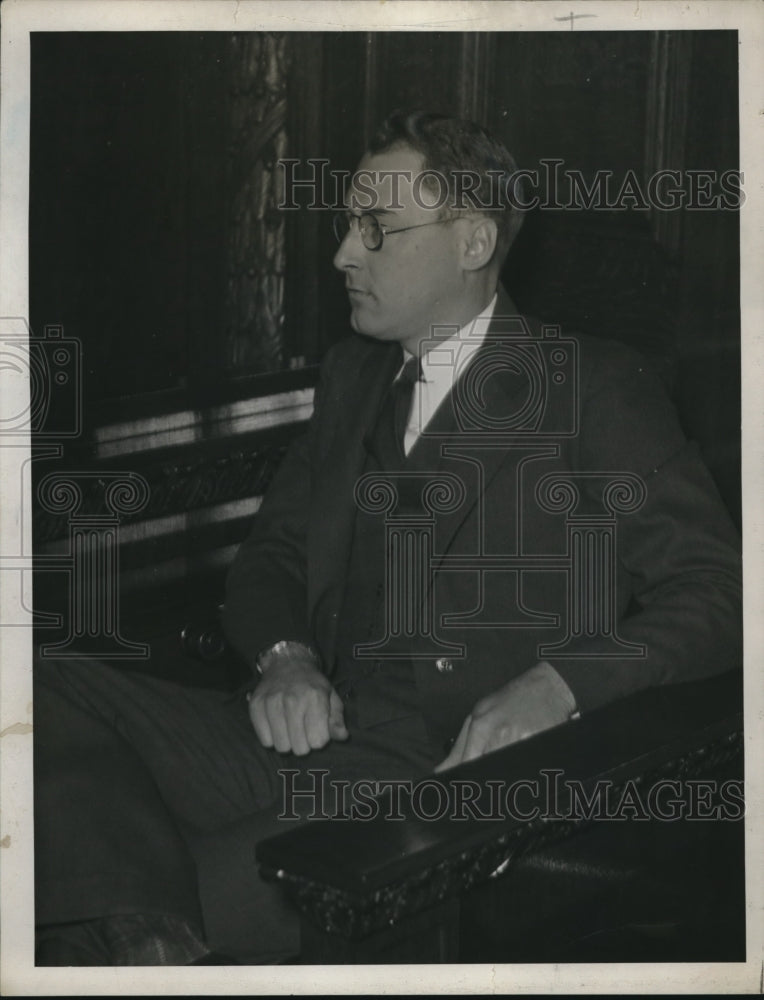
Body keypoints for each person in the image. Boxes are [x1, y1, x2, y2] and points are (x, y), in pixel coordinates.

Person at [33, 111, 742, 965]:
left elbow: (720, 591)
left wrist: (559, 686)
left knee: (136, 902)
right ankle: (135, 922)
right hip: (295, 734)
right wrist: (287, 656)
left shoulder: (595, 385)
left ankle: (130, 925)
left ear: (474, 241)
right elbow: (276, 557)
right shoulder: (354, 374)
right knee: (28, 682)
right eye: (345, 225)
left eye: (375, 229)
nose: (342, 254)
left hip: (435, 776)